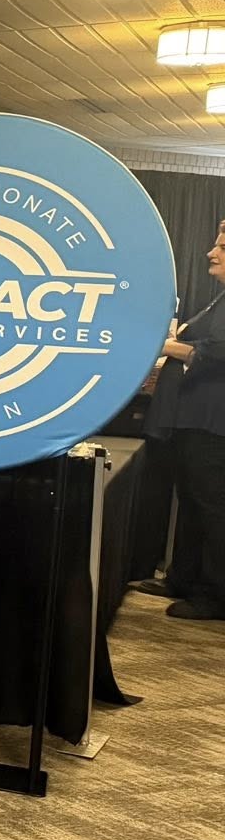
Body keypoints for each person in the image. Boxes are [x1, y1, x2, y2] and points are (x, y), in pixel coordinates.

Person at [147, 222, 225, 620]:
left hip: (213, 425)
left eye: (222, 247)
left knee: (213, 508)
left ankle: (214, 596)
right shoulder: (220, 298)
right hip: (195, 419)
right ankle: (182, 578)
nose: (212, 253)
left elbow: (217, 352)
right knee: (192, 503)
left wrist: (168, 346)